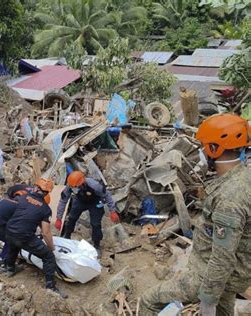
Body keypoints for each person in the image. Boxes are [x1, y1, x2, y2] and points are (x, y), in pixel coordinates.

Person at [139, 113, 251, 316]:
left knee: (148, 301)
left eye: (203, 147)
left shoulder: (229, 198)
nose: (201, 152)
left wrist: (207, 300)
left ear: (214, 148)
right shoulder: (244, 177)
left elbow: (222, 257)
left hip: (210, 274)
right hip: (229, 277)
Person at [4, 178, 66, 298]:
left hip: (9, 230)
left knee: (14, 246)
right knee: (48, 257)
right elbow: (46, 233)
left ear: (35, 186)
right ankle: (51, 286)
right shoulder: (45, 209)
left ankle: (9, 268)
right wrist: (51, 247)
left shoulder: (22, 197)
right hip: (24, 236)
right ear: (47, 193)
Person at [56, 171, 119, 257]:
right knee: (71, 218)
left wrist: (113, 211)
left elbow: (106, 195)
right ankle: (67, 237)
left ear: (82, 183)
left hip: (95, 201)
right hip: (79, 200)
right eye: (72, 187)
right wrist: (59, 218)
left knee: (95, 223)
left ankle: (96, 245)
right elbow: (63, 200)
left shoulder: (94, 185)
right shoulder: (70, 186)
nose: (73, 188)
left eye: (76, 187)